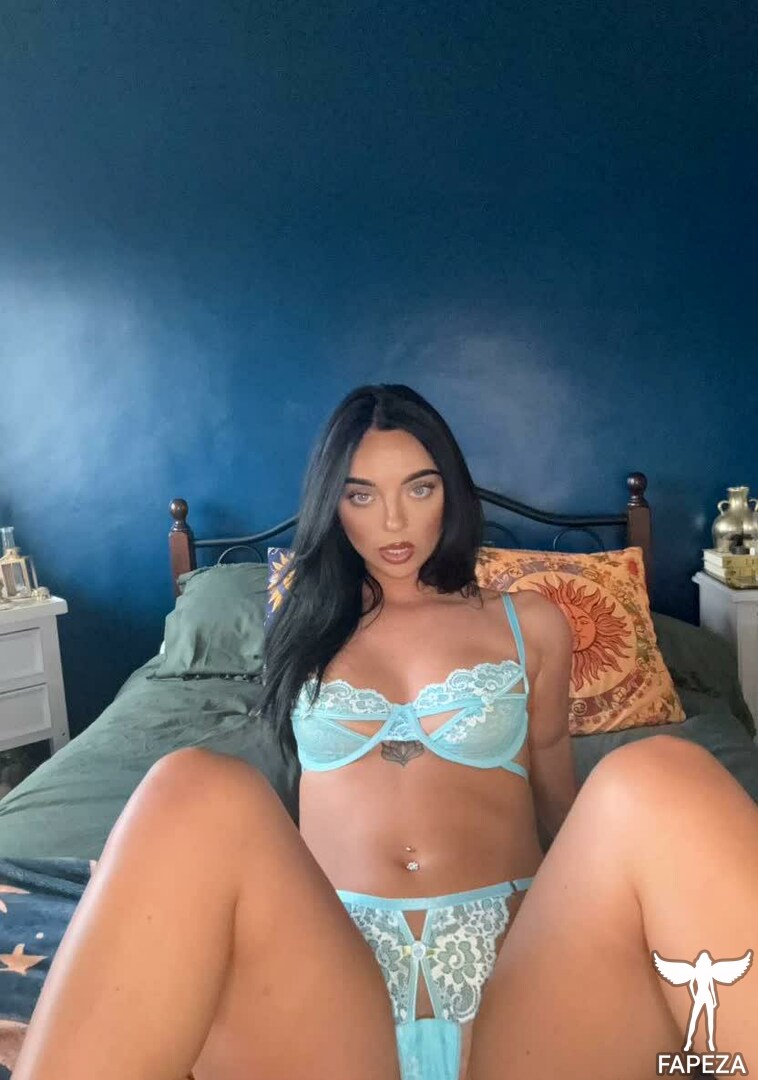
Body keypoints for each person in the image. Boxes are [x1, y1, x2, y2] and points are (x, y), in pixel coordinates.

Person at [12, 384, 758, 1080]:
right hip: (328, 974)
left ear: (450, 492)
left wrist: (613, 897)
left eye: (419, 489)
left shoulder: (530, 624)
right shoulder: (300, 627)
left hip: (515, 973)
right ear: (332, 504)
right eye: (361, 495)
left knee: (661, 774)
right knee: (189, 785)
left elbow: (557, 798)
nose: (393, 524)